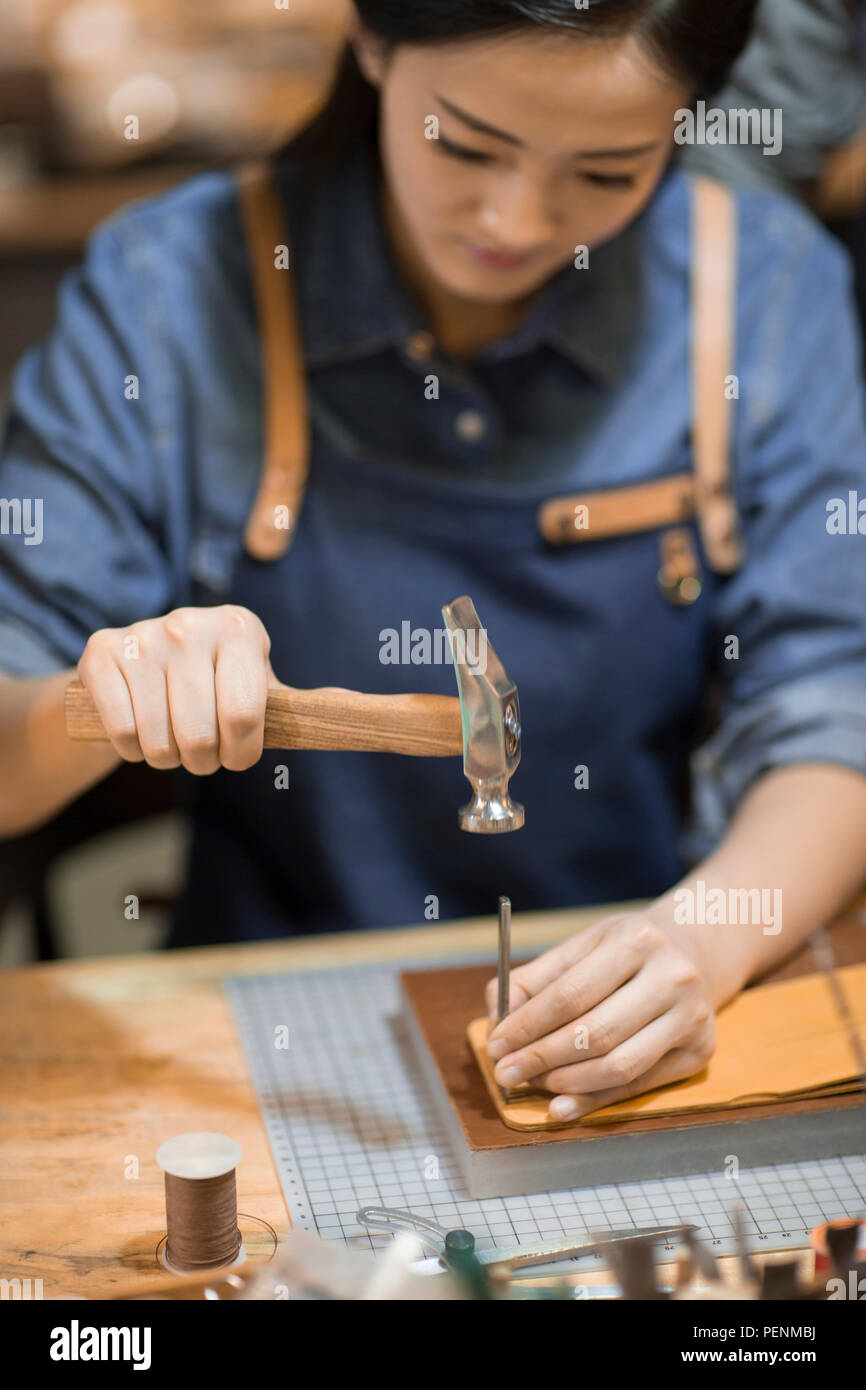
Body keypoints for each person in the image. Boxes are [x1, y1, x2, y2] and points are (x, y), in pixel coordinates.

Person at [1, 0, 865, 1123]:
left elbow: (831, 703)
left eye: (607, 171)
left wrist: (702, 940)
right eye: (462, 144)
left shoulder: (762, 290)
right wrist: (98, 699)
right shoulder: (170, 289)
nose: (514, 218)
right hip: (248, 1030)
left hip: (629, 994)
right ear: (371, 41)